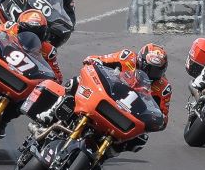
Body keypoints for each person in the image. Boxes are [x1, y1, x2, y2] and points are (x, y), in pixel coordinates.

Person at [38, 43, 171, 157]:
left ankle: (105, 154)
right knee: (76, 82)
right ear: (140, 59)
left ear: (162, 70)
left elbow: (163, 116)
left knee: (141, 138)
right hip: (108, 94)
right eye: (148, 67)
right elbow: (100, 59)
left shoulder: (164, 88)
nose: (149, 73)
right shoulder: (127, 56)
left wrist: (156, 121)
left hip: (129, 112)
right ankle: (52, 111)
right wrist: (94, 61)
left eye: (155, 71)